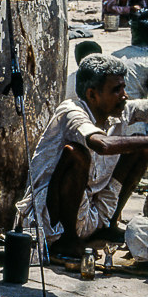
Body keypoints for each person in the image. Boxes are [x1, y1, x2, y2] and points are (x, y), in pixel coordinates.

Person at [17, 53, 148, 257]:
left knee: (140, 146)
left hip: (92, 209)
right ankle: (68, 240)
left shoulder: (119, 110)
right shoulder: (71, 111)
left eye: (123, 88)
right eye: (116, 90)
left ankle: (109, 224)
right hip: (51, 218)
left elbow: (143, 108)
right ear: (92, 94)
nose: (124, 95)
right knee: (76, 154)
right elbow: (102, 144)